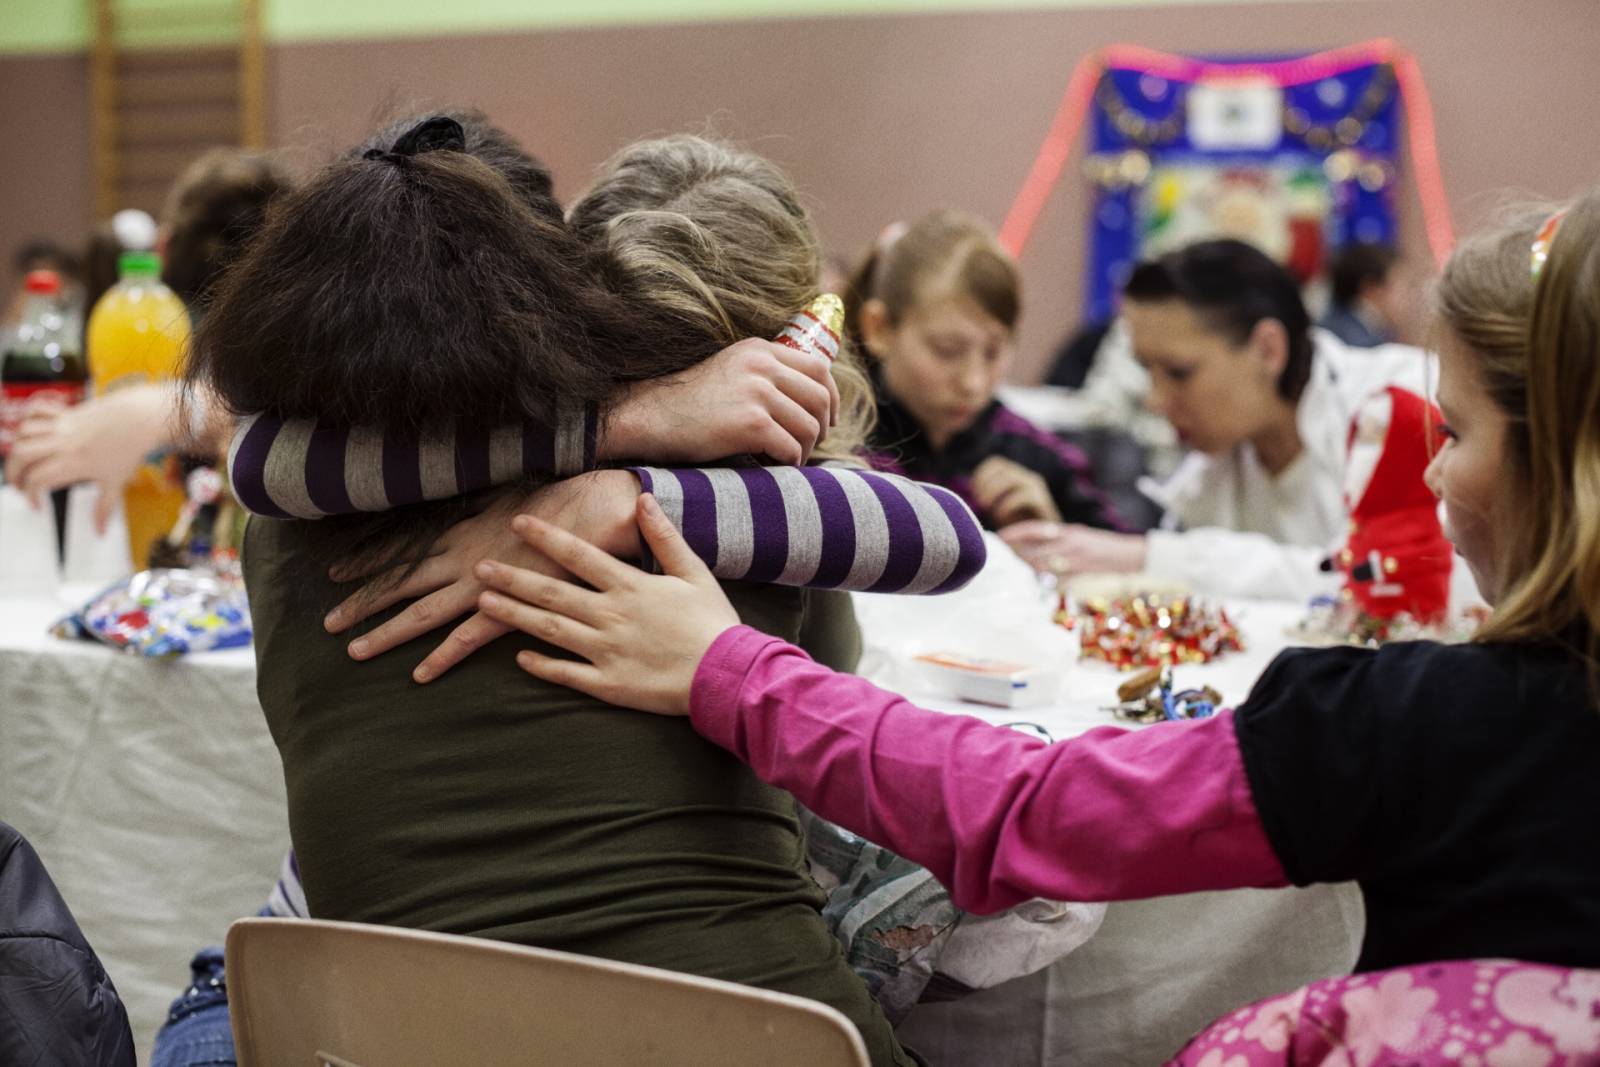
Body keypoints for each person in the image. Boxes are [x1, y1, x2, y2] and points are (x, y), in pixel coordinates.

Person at [469, 189, 1600, 999]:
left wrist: (721, 656)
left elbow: (1028, 810)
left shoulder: (1423, 723)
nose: (1434, 468)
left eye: (1450, 433)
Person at [188, 113, 925, 1066]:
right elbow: (893, 603)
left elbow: (257, 458)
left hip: (390, 1041)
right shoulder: (766, 516)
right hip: (750, 1032)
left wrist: (612, 462)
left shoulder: (284, 516)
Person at [1002, 239, 1434, 602]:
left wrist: (1151, 557)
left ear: (1268, 350)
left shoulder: (1402, 399)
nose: (1154, 400)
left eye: (1178, 373)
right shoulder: (1213, 465)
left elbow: (1378, 577)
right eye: (1146, 371)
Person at [3, 151, 294, 531]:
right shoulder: (304, 333)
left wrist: (161, 412)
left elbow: (264, 413)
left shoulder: (142, 325)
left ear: (162, 247)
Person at [845, 210, 1123, 532]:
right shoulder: (834, 442)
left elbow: (1131, 568)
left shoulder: (1036, 454)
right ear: (878, 328)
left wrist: (1051, 535)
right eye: (946, 350)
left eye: (993, 352)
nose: (972, 382)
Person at [1319, 241, 1404, 348]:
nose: (1405, 298)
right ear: (1371, 289)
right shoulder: (1363, 348)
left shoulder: (1332, 328)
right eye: (1399, 286)